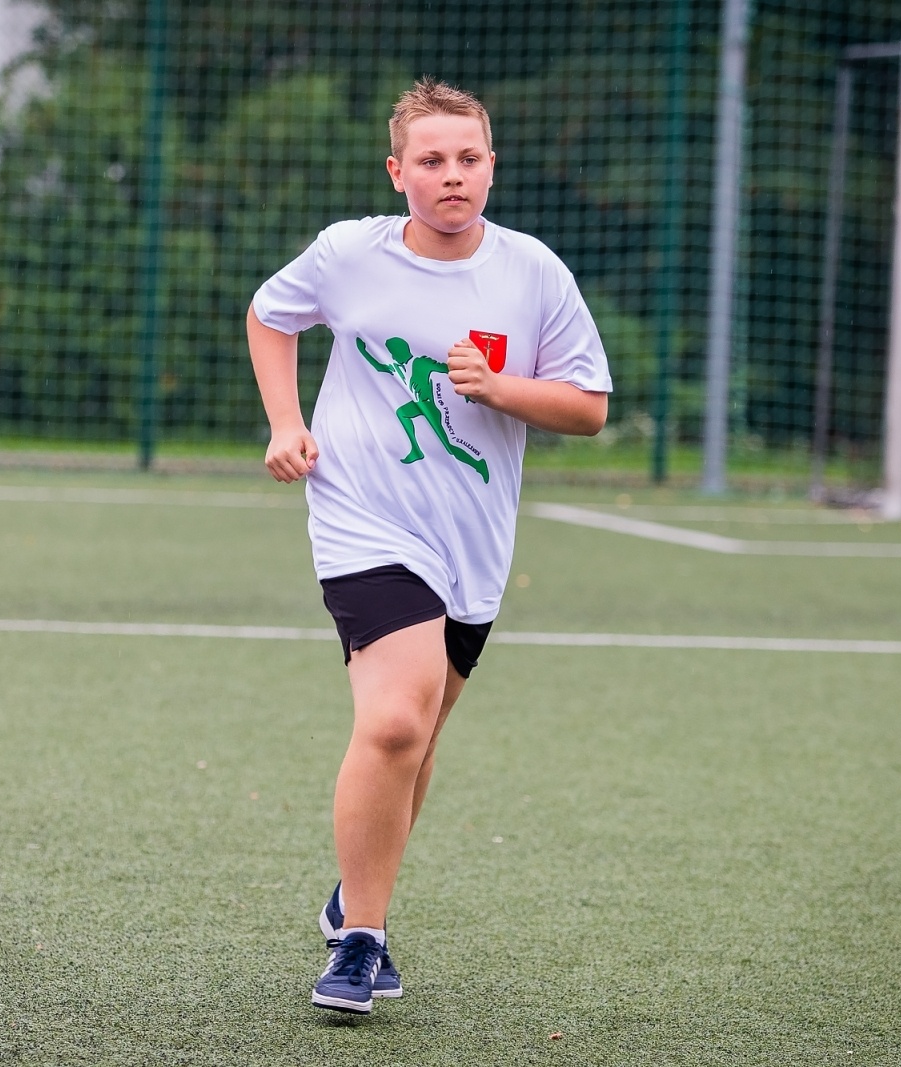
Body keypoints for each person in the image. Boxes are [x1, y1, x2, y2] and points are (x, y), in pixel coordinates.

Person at [246, 76, 612, 1015]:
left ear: (491, 167)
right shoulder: (347, 255)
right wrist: (286, 423)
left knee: (417, 736)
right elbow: (270, 315)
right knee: (397, 719)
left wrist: (501, 389)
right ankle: (361, 941)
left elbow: (589, 408)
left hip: (473, 546)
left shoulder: (533, 272)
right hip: (362, 517)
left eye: (469, 159)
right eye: (433, 161)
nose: (453, 176)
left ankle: (348, 894)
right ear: (397, 172)